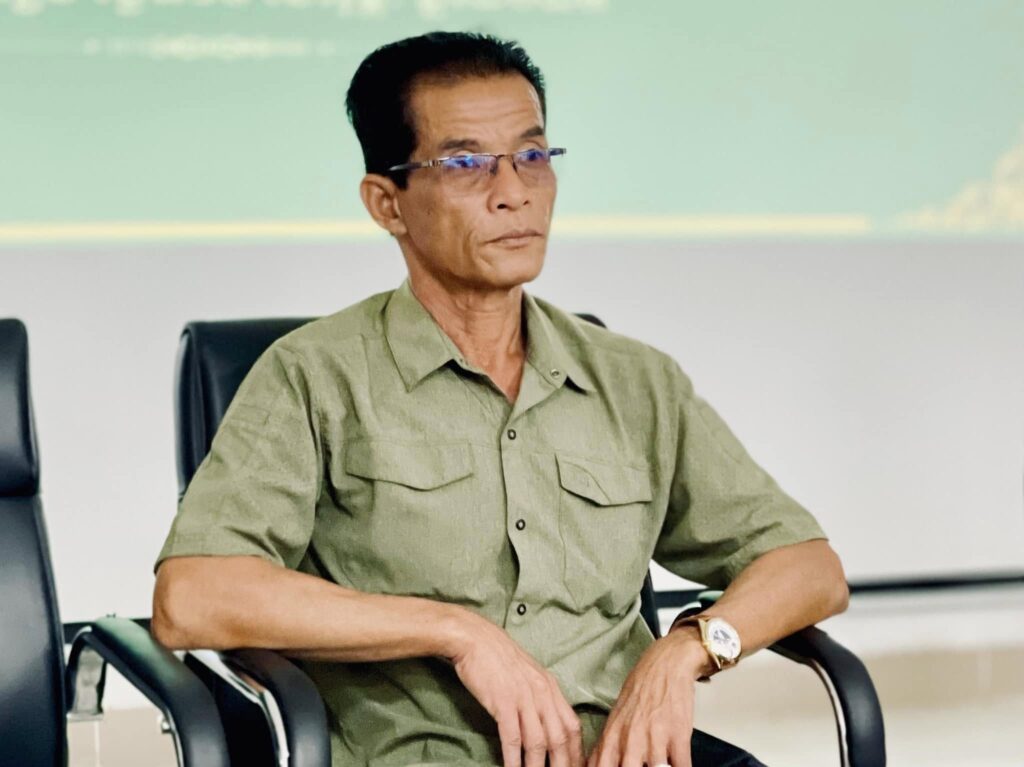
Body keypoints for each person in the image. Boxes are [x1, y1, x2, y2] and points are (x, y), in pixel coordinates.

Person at [152, 31, 849, 767]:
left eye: (533, 155)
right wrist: (454, 631)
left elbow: (809, 567)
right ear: (388, 204)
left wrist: (689, 648)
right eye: (465, 163)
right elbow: (192, 597)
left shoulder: (635, 380)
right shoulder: (312, 376)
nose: (514, 191)